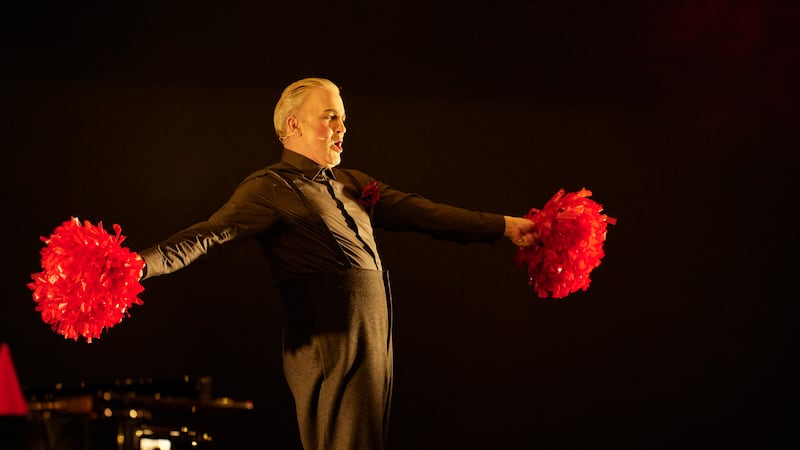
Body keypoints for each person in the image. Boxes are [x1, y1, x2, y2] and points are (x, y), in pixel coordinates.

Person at [137, 77, 537, 450]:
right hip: (329, 342)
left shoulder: (352, 182)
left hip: (373, 333)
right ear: (293, 125)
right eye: (330, 118)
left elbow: (424, 213)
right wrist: (136, 265)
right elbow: (206, 237)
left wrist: (503, 226)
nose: (342, 128)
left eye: (343, 119)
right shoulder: (267, 187)